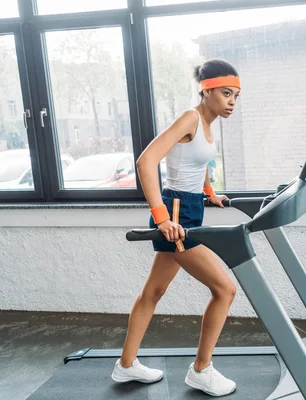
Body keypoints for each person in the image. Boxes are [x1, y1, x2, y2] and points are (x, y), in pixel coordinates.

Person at [110, 58, 241, 397]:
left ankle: (125, 366)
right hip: (175, 214)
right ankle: (201, 370)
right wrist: (162, 217)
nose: (231, 102)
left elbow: (198, 165)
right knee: (225, 290)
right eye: (226, 93)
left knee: (153, 292)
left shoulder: (208, 125)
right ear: (206, 89)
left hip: (190, 208)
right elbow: (146, 161)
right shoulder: (190, 118)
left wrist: (211, 193)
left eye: (236, 96)